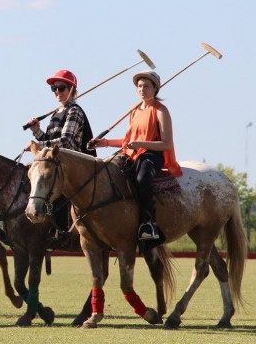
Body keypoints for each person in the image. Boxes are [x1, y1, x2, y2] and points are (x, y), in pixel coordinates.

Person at [88, 70, 182, 241]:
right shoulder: (134, 110)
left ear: (155, 88)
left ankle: (149, 223)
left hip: (152, 155)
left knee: (141, 180)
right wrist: (106, 142)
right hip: (131, 154)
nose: (142, 89)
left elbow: (166, 144)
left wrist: (141, 144)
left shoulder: (161, 111)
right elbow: (128, 140)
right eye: (139, 86)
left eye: (146, 86)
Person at [23, 69, 96, 244]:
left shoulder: (74, 111)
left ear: (71, 89)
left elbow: (66, 141)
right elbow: (50, 142)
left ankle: (63, 230)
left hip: (73, 165)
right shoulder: (57, 113)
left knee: (53, 182)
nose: (57, 92)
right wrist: (37, 132)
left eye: (61, 88)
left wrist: (38, 145)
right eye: (54, 89)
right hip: (57, 160)